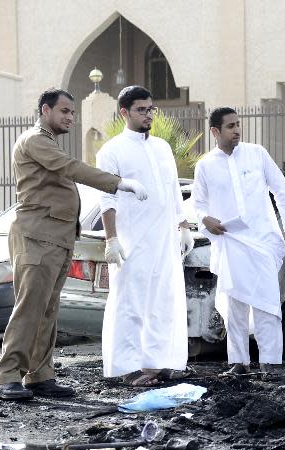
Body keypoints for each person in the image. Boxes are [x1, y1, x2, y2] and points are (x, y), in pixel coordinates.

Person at [0, 88, 147, 401]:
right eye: (64, 111)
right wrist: (117, 182)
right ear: (45, 110)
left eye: (73, 113)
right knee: (29, 309)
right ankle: (8, 375)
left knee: (47, 311)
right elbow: (71, 168)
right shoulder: (35, 140)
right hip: (36, 237)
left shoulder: (48, 144)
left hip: (56, 238)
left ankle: (40, 375)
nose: (70, 118)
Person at [193, 107, 285, 376]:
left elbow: (281, 190)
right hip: (230, 242)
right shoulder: (205, 165)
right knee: (234, 306)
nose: (237, 130)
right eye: (230, 126)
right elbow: (197, 204)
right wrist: (206, 219)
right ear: (215, 131)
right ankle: (239, 363)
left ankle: (271, 364)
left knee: (267, 304)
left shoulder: (257, 153)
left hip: (262, 241)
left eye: (238, 124)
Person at [97, 86, 192, 386]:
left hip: (164, 241)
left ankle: (158, 362)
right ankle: (126, 367)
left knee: (163, 302)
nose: (148, 114)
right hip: (131, 241)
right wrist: (111, 240)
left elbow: (174, 190)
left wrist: (184, 226)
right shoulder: (111, 150)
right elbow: (107, 200)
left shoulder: (162, 148)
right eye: (141, 109)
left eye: (151, 109)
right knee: (130, 304)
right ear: (124, 112)